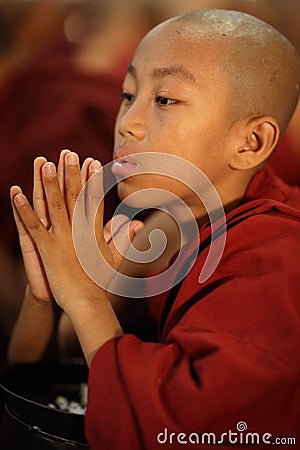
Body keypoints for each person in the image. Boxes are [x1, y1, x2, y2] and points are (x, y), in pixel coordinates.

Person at [7, 9, 300, 450]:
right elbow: (42, 382)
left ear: (250, 142)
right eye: (128, 95)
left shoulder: (276, 257)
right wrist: (48, 293)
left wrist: (85, 298)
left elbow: (189, 426)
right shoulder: (163, 229)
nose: (127, 122)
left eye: (164, 99)